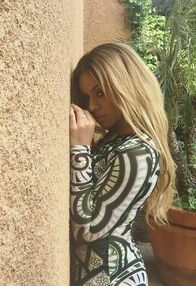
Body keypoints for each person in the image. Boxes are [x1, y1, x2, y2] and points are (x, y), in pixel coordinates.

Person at [69, 42, 175, 286]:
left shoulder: (138, 152)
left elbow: (89, 230)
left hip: (111, 277)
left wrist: (80, 149)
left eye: (100, 93)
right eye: (87, 97)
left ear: (126, 86)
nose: (93, 107)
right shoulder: (116, 138)